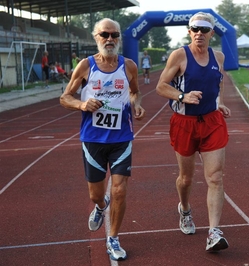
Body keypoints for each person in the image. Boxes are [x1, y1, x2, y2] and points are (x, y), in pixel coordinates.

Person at [60, 18, 145, 261]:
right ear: (96, 37)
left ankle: (113, 237)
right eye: (105, 34)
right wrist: (82, 103)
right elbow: (65, 97)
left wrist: (136, 105)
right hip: (93, 139)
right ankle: (100, 206)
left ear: (119, 38)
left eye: (114, 35)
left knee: (119, 190)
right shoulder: (86, 66)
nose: (110, 39)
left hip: (122, 137)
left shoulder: (129, 66)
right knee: (96, 195)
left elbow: (135, 91)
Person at [156, 11, 231, 252]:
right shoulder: (179, 55)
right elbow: (161, 86)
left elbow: (219, 80)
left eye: (204, 29)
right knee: (186, 179)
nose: (199, 33)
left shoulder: (218, 56)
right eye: (195, 29)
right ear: (189, 32)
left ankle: (213, 232)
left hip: (212, 121)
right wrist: (182, 96)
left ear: (212, 33)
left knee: (215, 177)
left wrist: (219, 102)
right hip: (184, 122)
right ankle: (185, 209)